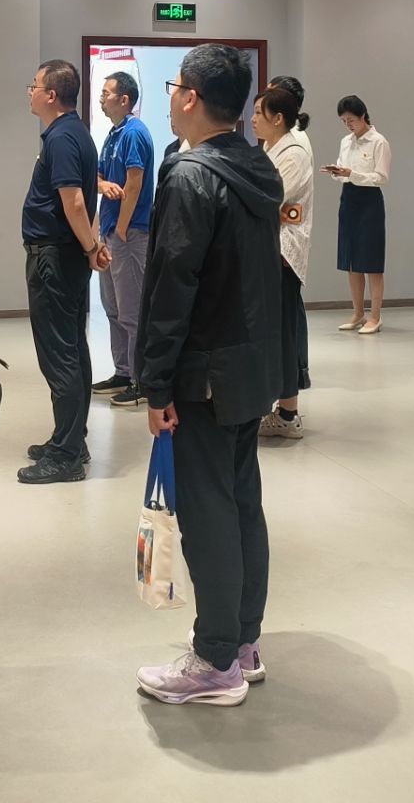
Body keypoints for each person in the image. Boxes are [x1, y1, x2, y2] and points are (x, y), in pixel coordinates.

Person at [135, 44, 284, 704]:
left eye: (173, 86)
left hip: (203, 374)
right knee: (241, 501)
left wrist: (156, 383)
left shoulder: (191, 175)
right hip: (249, 367)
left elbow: (173, 287)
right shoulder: (255, 166)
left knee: (209, 513)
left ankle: (217, 659)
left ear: (191, 96)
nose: (170, 97)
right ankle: (243, 641)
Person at [19, 59, 107, 484]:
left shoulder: (62, 138)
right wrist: (91, 246)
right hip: (65, 256)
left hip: (54, 258)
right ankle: (70, 439)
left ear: (51, 95)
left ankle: (67, 455)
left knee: (60, 356)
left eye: (34, 85)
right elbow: (83, 201)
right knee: (72, 349)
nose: (30, 91)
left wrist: (91, 246)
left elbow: (74, 202)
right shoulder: (73, 133)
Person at [252, 85, 312, 439]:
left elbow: (270, 199)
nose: (253, 119)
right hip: (268, 249)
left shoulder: (294, 152)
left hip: (284, 253)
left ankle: (288, 413)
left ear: (278, 118)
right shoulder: (270, 148)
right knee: (270, 331)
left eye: (259, 113)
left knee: (283, 332)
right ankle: (272, 404)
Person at [92, 70, 155, 409]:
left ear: (124, 99)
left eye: (107, 93)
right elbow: (98, 177)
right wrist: (102, 186)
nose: (102, 98)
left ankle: (140, 380)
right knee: (113, 308)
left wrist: (121, 228)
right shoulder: (113, 134)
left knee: (132, 311)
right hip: (110, 232)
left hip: (129, 234)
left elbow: (134, 182)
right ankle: (123, 371)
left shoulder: (134, 133)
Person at [324, 95, 390, 334]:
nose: (348, 125)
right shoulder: (346, 141)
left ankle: (375, 316)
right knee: (351, 260)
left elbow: (381, 177)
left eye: (351, 120)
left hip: (370, 202)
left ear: (363, 116)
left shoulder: (378, 141)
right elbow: (344, 171)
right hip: (348, 199)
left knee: (372, 262)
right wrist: (337, 172)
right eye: (344, 121)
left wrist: (352, 174)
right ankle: (358, 313)